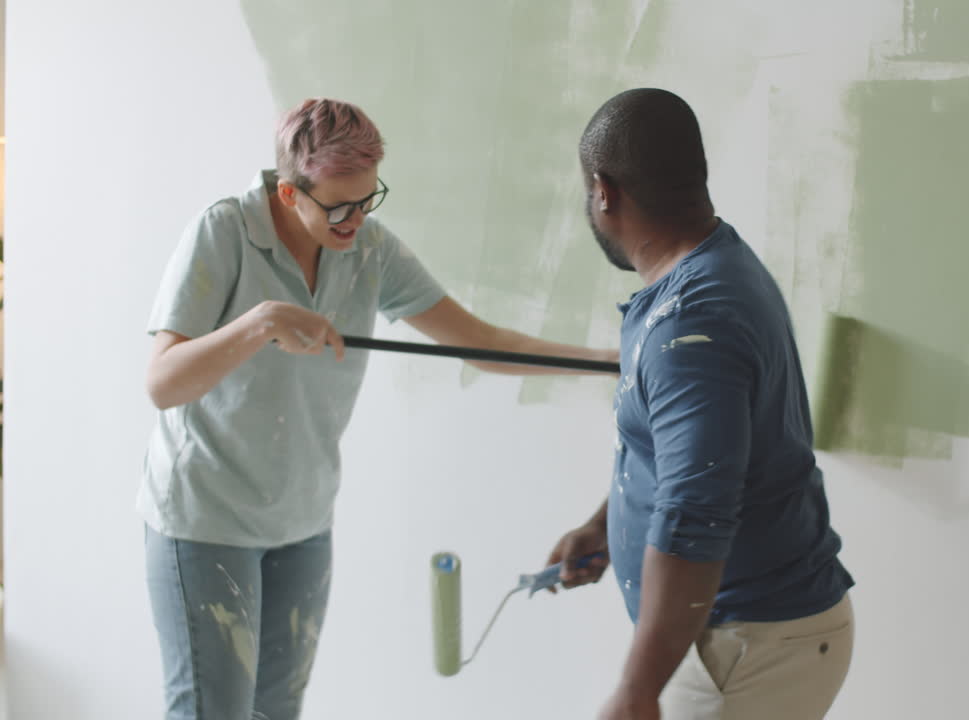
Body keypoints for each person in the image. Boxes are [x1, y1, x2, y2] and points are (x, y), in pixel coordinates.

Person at [141, 98, 616, 720]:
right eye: (337, 206)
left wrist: (611, 357)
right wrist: (259, 324)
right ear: (289, 195)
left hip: (302, 524)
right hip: (205, 522)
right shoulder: (223, 231)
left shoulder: (370, 249)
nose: (354, 219)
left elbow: (482, 343)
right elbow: (162, 383)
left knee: (275, 713)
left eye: (367, 200)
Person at [546, 88, 855, 720]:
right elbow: (691, 459)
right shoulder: (710, 269)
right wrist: (605, 524)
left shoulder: (690, 326)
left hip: (749, 647)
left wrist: (636, 691)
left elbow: (694, 516)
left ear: (603, 192)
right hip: (745, 639)